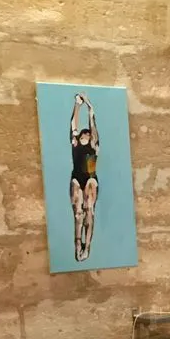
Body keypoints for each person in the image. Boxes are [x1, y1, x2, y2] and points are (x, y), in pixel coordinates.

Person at [69, 93, 99, 262]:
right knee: (78, 214)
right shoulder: (75, 143)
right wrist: (77, 105)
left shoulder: (94, 144)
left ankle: (87, 246)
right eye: (83, 134)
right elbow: (73, 124)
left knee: (89, 211)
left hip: (90, 178)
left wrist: (88, 105)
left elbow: (92, 123)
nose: (85, 135)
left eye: (87, 134)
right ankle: (77, 244)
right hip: (76, 178)